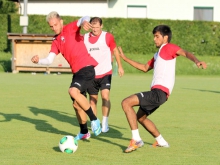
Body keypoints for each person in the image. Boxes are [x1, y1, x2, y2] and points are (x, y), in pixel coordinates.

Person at [118, 25, 207, 153]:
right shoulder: (157, 54)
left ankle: (136, 139)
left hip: (159, 93)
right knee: (141, 118)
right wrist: (125, 58)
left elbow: (185, 53)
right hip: (160, 94)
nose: (154, 39)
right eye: (154, 36)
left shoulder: (169, 47)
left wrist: (196, 61)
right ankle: (161, 141)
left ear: (165, 38)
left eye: (157, 36)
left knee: (126, 103)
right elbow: (144, 67)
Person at [31, 11, 101, 139]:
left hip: (86, 68)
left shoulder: (70, 28)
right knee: (76, 104)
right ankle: (84, 132)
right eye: (51, 26)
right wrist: (38, 61)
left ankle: (95, 120)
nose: (54, 28)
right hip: (77, 73)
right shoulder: (56, 41)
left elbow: (83, 18)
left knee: (73, 91)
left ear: (61, 22)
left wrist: (86, 21)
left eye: (56, 24)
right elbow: (49, 60)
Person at [85, 17, 124, 133]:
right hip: (91, 74)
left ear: (101, 26)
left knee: (105, 97)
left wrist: (120, 66)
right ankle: (94, 122)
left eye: (97, 27)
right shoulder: (85, 38)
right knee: (92, 100)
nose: (95, 29)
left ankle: (105, 123)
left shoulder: (107, 36)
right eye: (93, 27)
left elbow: (115, 51)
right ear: (90, 26)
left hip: (105, 72)